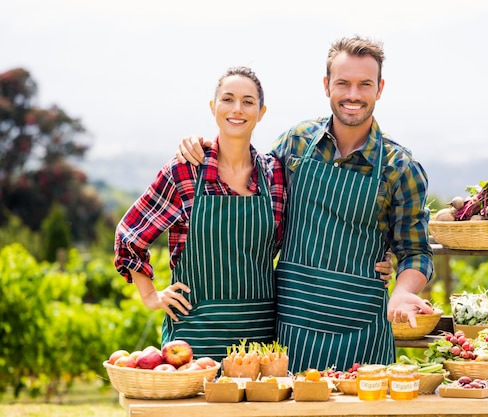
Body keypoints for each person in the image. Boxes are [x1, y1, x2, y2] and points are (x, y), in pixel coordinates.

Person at [176, 36, 434, 372]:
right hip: (291, 332)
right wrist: (202, 145)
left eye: (364, 84)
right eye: (343, 83)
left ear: (379, 89)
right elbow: (245, 169)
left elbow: (416, 251)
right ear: (327, 86)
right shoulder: (297, 143)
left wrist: (401, 292)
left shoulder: (400, 168)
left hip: (362, 334)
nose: (353, 94)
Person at [114, 66, 287, 362]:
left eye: (248, 101)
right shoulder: (185, 171)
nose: (237, 109)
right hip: (194, 340)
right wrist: (150, 296)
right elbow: (130, 235)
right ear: (213, 107)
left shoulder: (275, 175)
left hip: (259, 344)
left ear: (262, 112)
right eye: (228, 99)